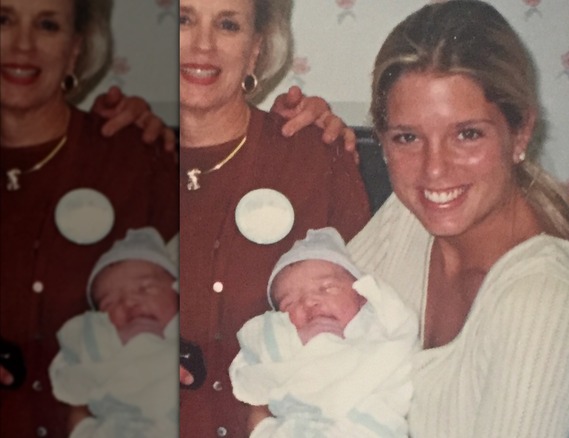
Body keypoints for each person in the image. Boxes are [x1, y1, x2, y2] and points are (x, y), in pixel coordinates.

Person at [339, 1, 569, 436]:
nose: (434, 170)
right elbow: (307, 335)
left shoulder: (540, 307)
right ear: (382, 142)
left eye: (467, 134)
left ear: (520, 133)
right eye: (408, 138)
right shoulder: (409, 220)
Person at [177, 0, 371, 436]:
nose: (203, 44)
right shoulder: (113, 162)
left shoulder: (315, 156)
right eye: (182, 19)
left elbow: (371, 334)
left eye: (228, 24)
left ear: (256, 50)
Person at [0, 0, 179, 435]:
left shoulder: (135, 156)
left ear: (75, 49)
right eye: (2, 20)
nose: (22, 45)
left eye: (47, 25)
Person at [229, 227, 418, 437]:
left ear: (361, 295)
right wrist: (294, 340)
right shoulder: (285, 337)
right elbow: (252, 359)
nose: (309, 302)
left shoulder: (376, 322)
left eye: (326, 288)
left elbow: (403, 335)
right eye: (289, 303)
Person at [49, 227, 178, 437]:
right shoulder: (101, 341)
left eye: (145, 288)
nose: (128, 302)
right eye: (109, 303)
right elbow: (70, 380)